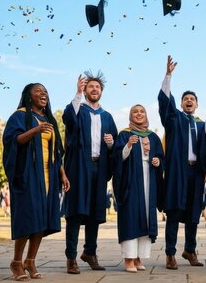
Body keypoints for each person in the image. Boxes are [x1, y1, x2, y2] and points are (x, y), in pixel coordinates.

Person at [3, 82, 70, 280]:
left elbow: (56, 152)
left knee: (41, 219)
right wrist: (36, 130)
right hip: (27, 174)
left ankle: (30, 261)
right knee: (27, 218)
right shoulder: (20, 116)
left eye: (46, 91)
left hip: (48, 176)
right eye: (38, 91)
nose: (44, 94)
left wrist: (63, 174)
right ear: (29, 96)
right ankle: (16, 262)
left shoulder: (49, 119)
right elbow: (12, 141)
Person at [63, 71, 118, 274]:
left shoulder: (107, 116)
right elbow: (68, 119)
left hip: (100, 167)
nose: (94, 89)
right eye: (90, 87)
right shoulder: (78, 110)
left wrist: (112, 145)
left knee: (95, 213)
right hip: (79, 167)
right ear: (85, 90)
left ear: (101, 92)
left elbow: (117, 145)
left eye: (98, 87)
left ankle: (90, 253)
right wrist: (76, 94)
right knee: (76, 213)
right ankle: (71, 257)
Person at [158, 55, 206, 269]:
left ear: (196, 104)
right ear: (181, 103)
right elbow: (164, 103)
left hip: (196, 172)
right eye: (186, 99)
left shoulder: (202, 124)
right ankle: (170, 253)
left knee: (194, 214)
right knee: (174, 213)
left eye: (192, 99)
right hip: (178, 171)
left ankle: (190, 249)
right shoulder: (174, 119)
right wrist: (168, 76)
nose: (189, 101)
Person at [113, 104, 165, 273]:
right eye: (135, 111)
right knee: (130, 217)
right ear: (130, 116)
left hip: (149, 180)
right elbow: (117, 157)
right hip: (130, 181)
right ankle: (128, 259)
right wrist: (128, 145)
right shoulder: (124, 134)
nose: (139, 114)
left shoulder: (154, 137)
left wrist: (158, 161)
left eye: (142, 111)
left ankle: (138, 257)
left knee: (146, 217)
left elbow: (160, 157)